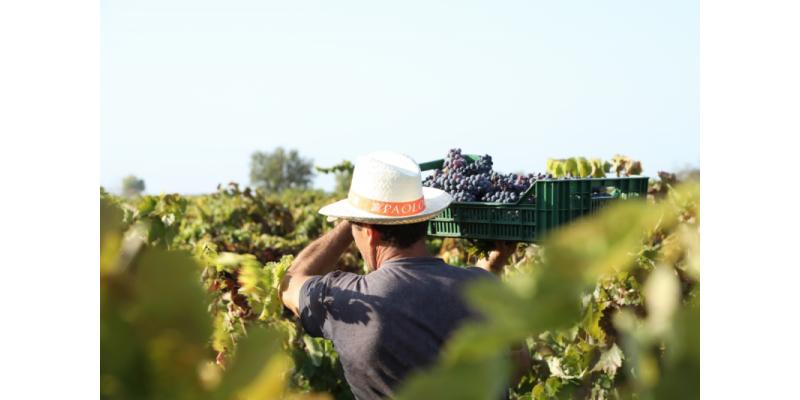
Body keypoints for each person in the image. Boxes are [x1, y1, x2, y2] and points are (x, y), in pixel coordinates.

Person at [280, 151, 527, 400]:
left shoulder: (348, 302)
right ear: (423, 219)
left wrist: (352, 219)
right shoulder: (486, 290)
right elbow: (517, 370)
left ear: (369, 232)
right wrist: (492, 270)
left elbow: (290, 281)